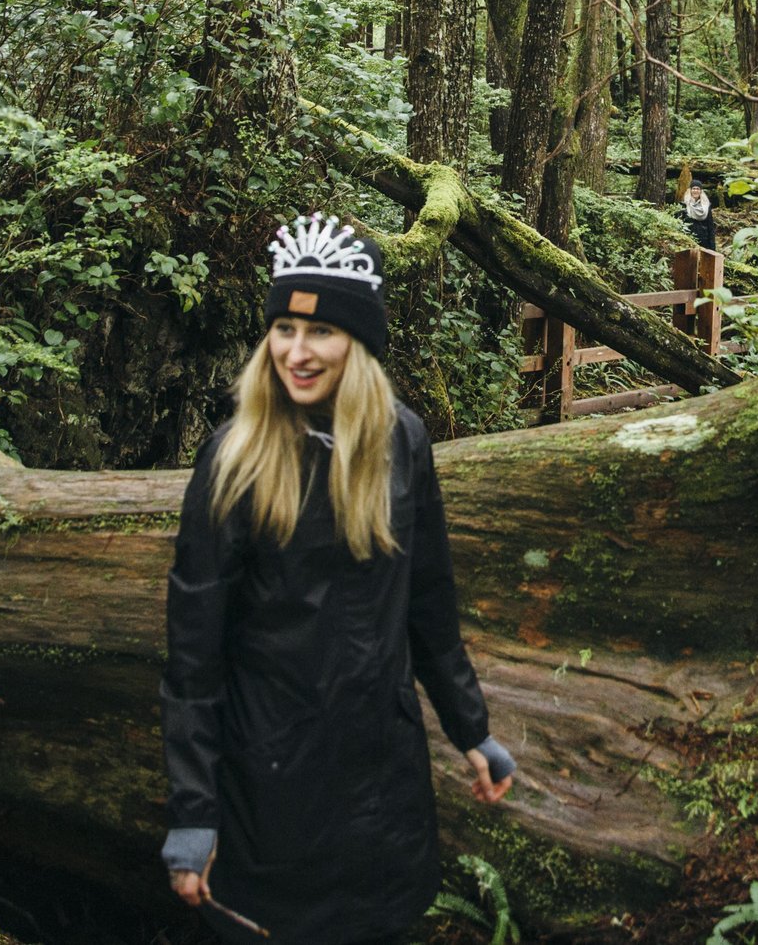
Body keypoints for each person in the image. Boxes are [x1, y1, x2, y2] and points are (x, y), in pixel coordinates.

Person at [160, 211, 516, 943]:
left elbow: (429, 602)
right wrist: (194, 812)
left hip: (381, 782)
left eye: (320, 330)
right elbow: (194, 657)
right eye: (284, 328)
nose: (298, 350)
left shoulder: (402, 441)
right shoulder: (235, 457)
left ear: (358, 339)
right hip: (269, 788)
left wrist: (470, 730)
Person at [680, 180, 717, 253]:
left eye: (698, 189)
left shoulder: (706, 206)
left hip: (704, 241)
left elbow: (710, 226)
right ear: (690, 190)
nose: (695, 191)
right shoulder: (684, 205)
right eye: (694, 188)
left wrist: (712, 247)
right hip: (689, 240)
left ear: (700, 191)